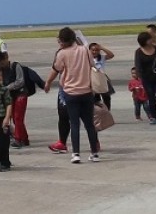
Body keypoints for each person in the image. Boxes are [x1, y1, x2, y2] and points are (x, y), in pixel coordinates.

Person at [45, 27, 101, 163]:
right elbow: (93, 65)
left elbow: (56, 69)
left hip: (70, 92)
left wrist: (47, 83)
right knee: (89, 125)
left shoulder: (62, 54)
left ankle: (76, 154)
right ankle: (94, 153)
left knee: (74, 124)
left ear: (62, 40)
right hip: (86, 92)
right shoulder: (85, 50)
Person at [133, 31, 156, 125]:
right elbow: (138, 65)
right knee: (151, 98)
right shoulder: (139, 51)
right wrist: (139, 78)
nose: (151, 40)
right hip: (147, 78)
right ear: (145, 41)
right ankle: (154, 117)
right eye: (149, 39)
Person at [88, 42, 116, 110]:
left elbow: (111, 55)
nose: (94, 52)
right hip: (93, 81)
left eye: (96, 50)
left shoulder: (102, 58)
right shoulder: (87, 58)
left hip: (102, 80)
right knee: (95, 100)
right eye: (93, 50)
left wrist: (102, 48)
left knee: (107, 98)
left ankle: (107, 112)